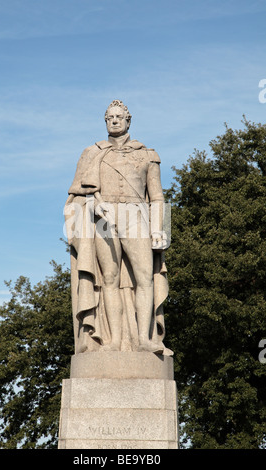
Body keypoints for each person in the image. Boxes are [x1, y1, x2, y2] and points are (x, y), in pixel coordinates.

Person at [64, 100, 172, 355]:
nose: (114, 120)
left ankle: (145, 340)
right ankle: (112, 341)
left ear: (128, 120)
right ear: (105, 121)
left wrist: (160, 229)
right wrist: (92, 205)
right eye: (109, 117)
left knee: (145, 278)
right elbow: (76, 194)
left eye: (119, 117)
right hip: (104, 218)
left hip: (137, 216)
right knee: (109, 280)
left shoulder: (147, 154)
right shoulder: (92, 153)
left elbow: (157, 197)